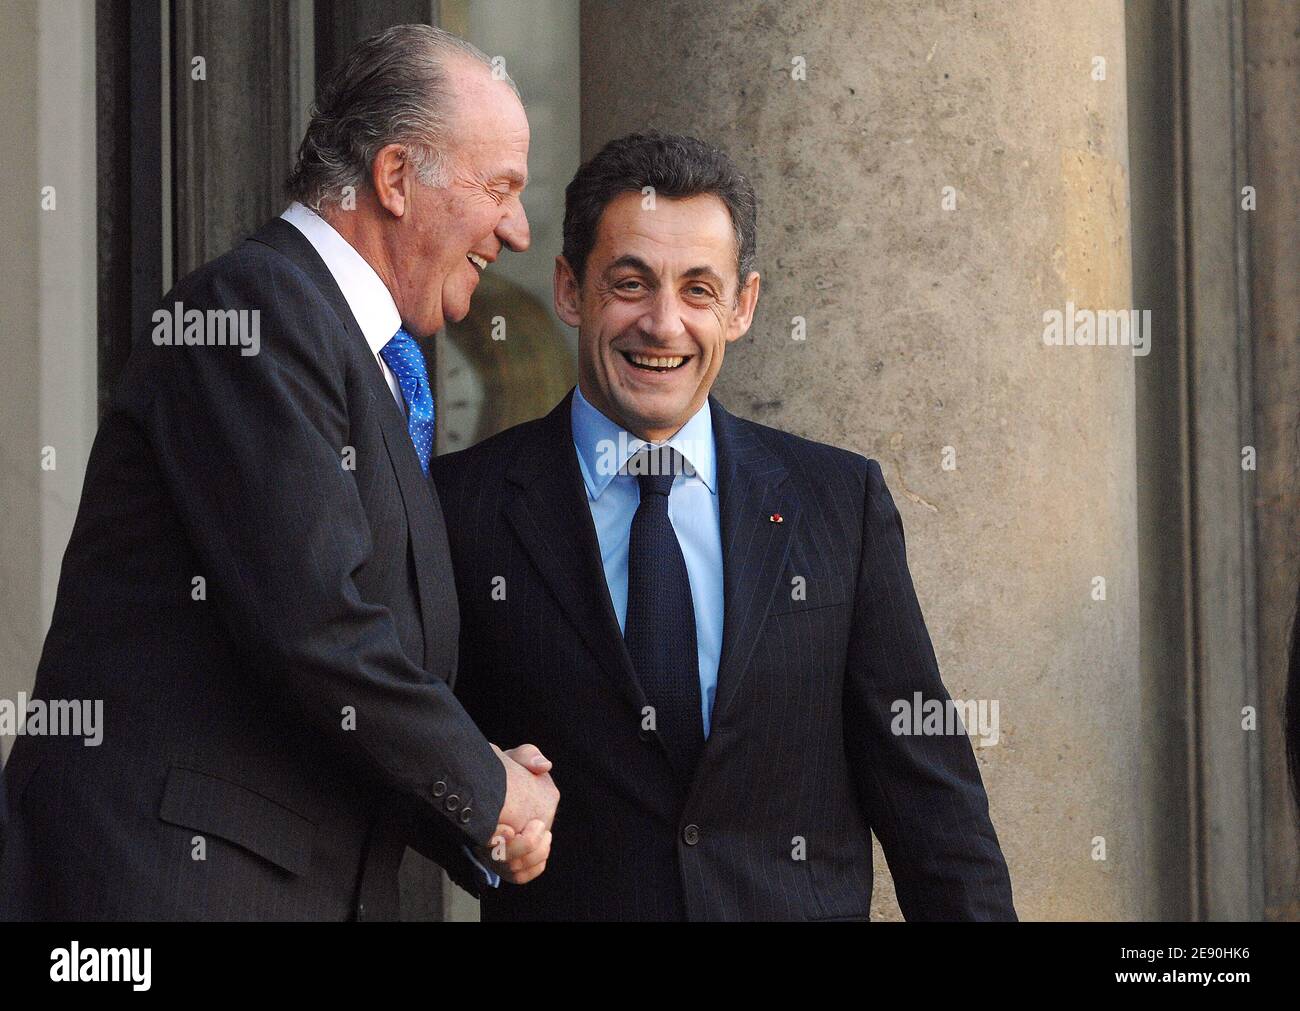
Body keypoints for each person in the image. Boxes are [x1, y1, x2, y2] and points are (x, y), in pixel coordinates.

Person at [0, 24, 555, 921]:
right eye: (500, 189)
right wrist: (484, 788)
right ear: (396, 178)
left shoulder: (366, 356)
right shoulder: (254, 311)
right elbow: (318, 626)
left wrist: (477, 787)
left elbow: (346, 666)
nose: (520, 231)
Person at [432, 131, 1017, 921]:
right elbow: (406, 748)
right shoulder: (463, 505)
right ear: (570, 291)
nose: (664, 324)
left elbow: (934, 809)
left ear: (742, 306)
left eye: (699, 290)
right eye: (631, 283)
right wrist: (478, 806)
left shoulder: (839, 504)